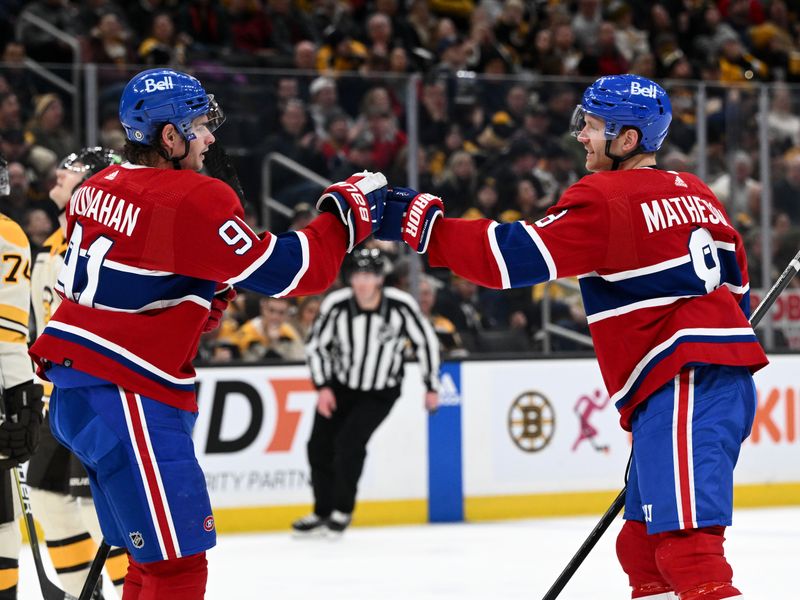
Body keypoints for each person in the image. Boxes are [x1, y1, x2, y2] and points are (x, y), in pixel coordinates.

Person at [377, 74, 768, 600]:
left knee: (689, 551)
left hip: (686, 384)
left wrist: (419, 221)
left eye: (592, 125)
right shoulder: (698, 193)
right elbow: (737, 285)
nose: (581, 134)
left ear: (627, 140)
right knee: (641, 548)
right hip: (699, 383)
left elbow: (512, 257)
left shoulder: (608, 197)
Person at [28, 68, 388, 600]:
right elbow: (292, 272)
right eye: (199, 125)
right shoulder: (191, 198)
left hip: (78, 395)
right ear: (168, 137)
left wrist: (209, 283)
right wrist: (345, 216)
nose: (211, 137)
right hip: (131, 394)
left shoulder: (93, 189)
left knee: (148, 564)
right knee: (178, 568)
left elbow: (155, 280)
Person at [28, 147, 129, 598]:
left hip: (96, 393)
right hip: (55, 398)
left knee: (96, 506)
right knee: (49, 498)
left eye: (70, 170)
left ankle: (137, 590)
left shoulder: (102, 242)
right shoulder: (52, 244)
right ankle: (80, 594)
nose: (59, 173)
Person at [293, 248, 440, 536]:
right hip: (340, 386)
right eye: (357, 275)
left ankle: (342, 510)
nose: (362, 283)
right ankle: (322, 511)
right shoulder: (336, 304)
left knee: (349, 443)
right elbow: (316, 346)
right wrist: (323, 386)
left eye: (369, 276)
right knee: (318, 446)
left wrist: (430, 385)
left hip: (380, 391)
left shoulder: (400, 305)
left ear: (379, 280)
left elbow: (426, 342)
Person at [0, 152, 45, 599]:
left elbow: (6, 330)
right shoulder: (10, 234)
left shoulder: (7, 235)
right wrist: (20, 390)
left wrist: (20, 391)